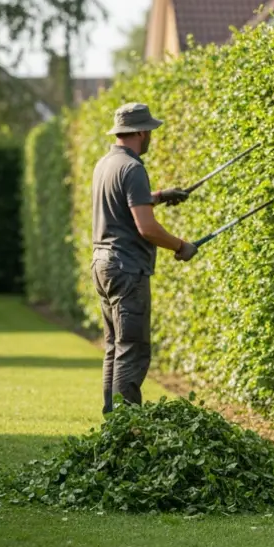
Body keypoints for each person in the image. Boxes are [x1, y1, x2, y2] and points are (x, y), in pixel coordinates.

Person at [91, 102, 198, 414]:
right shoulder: (134, 168)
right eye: (149, 131)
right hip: (126, 269)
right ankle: (127, 428)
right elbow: (146, 227)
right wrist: (181, 246)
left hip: (102, 264)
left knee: (114, 348)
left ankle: (113, 424)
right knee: (133, 351)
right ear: (139, 132)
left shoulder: (105, 164)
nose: (151, 136)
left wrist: (159, 197)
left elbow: (123, 204)